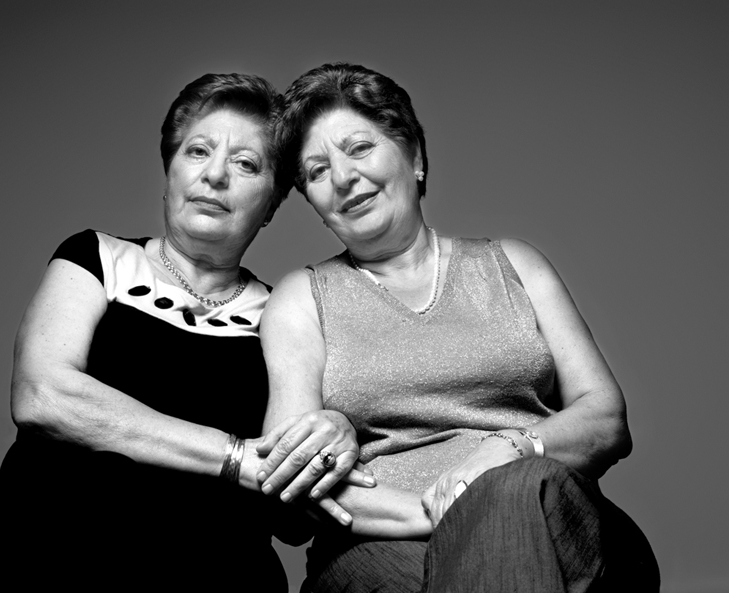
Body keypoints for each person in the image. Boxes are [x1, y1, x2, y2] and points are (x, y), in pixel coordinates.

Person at [0, 72, 364, 592]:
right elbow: (43, 396)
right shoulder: (96, 257)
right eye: (198, 152)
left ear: (271, 205)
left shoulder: (290, 313)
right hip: (40, 559)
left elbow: (290, 517)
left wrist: (333, 431)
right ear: (169, 174)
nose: (215, 175)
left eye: (246, 164)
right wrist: (235, 456)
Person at [260, 63, 659, 592]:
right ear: (313, 201)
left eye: (359, 148)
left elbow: (605, 419)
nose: (342, 177)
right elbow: (291, 479)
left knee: (515, 492)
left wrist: (510, 449)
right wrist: (439, 511)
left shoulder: (515, 265)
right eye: (316, 171)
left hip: (551, 519)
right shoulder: (302, 299)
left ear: (415, 157)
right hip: (382, 546)